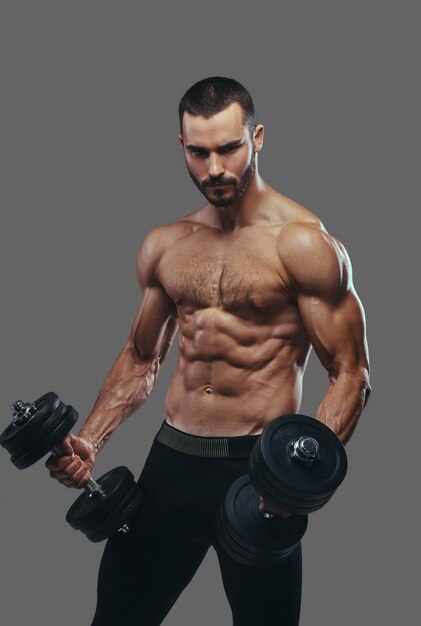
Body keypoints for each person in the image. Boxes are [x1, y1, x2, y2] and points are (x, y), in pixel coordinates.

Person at [46, 76, 371, 625]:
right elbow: (140, 357)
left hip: (256, 474)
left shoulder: (302, 243)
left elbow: (350, 373)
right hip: (170, 465)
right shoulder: (167, 245)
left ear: (257, 138)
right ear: (182, 147)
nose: (214, 168)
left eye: (228, 148)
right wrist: (91, 440)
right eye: (199, 152)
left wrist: (292, 484)